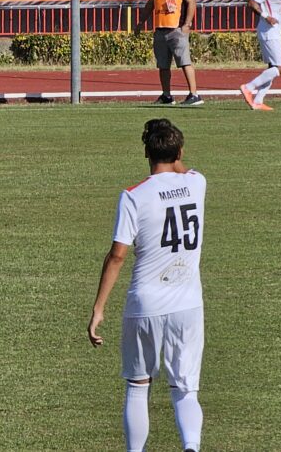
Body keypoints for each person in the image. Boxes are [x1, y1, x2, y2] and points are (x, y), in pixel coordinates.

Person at [88, 117, 206, 452]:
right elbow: (183, 171)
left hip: (145, 305)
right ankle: (191, 447)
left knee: (138, 385)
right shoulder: (198, 183)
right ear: (180, 150)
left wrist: (98, 308)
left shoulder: (133, 197)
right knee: (185, 389)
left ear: (146, 153)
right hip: (188, 306)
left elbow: (117, 256)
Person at [135, 0, 202, 106]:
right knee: (163, 65)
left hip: (176, 29)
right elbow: (150, 5)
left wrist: (187, 24)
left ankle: (194, 94)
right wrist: (141, 22)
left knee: (184, 62)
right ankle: (167, 95)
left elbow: (191, 3)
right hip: (160, 28)